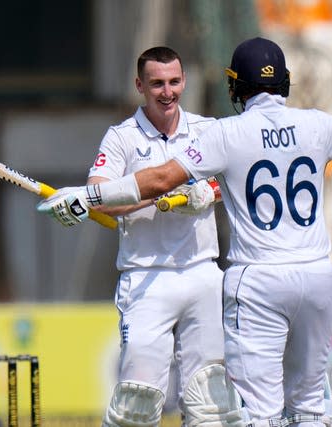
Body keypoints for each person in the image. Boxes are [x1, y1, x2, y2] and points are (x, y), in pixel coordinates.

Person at [38, 37, 332, 426]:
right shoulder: (317, 124)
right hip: (317, 277)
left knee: (256, 414)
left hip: (257, 280)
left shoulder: (226, 133)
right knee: (311, 408)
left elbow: (160, 180)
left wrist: (90, 197)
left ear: (236, 86)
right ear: (285, 82)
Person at [62, 46, 243, 426]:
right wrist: (163, 195)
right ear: (139, 85)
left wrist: (206, 192)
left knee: (212, 403)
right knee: (136, 403)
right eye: (157, 83)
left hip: (202, 273)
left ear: (184, 82)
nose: (167, 92)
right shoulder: (121, 138)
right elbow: (99, 196)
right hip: (146, 278)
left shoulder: (207, 130)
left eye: (174, 82)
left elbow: (237, 180)